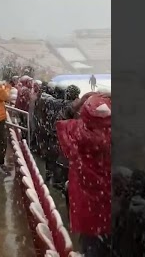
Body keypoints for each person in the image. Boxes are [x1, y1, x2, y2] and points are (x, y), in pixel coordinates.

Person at [56, 93, 111, 257]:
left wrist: (79, 103)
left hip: (86, 213)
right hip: (110, 214)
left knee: (91, 247)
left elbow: (62, 119)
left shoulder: (76, 134)